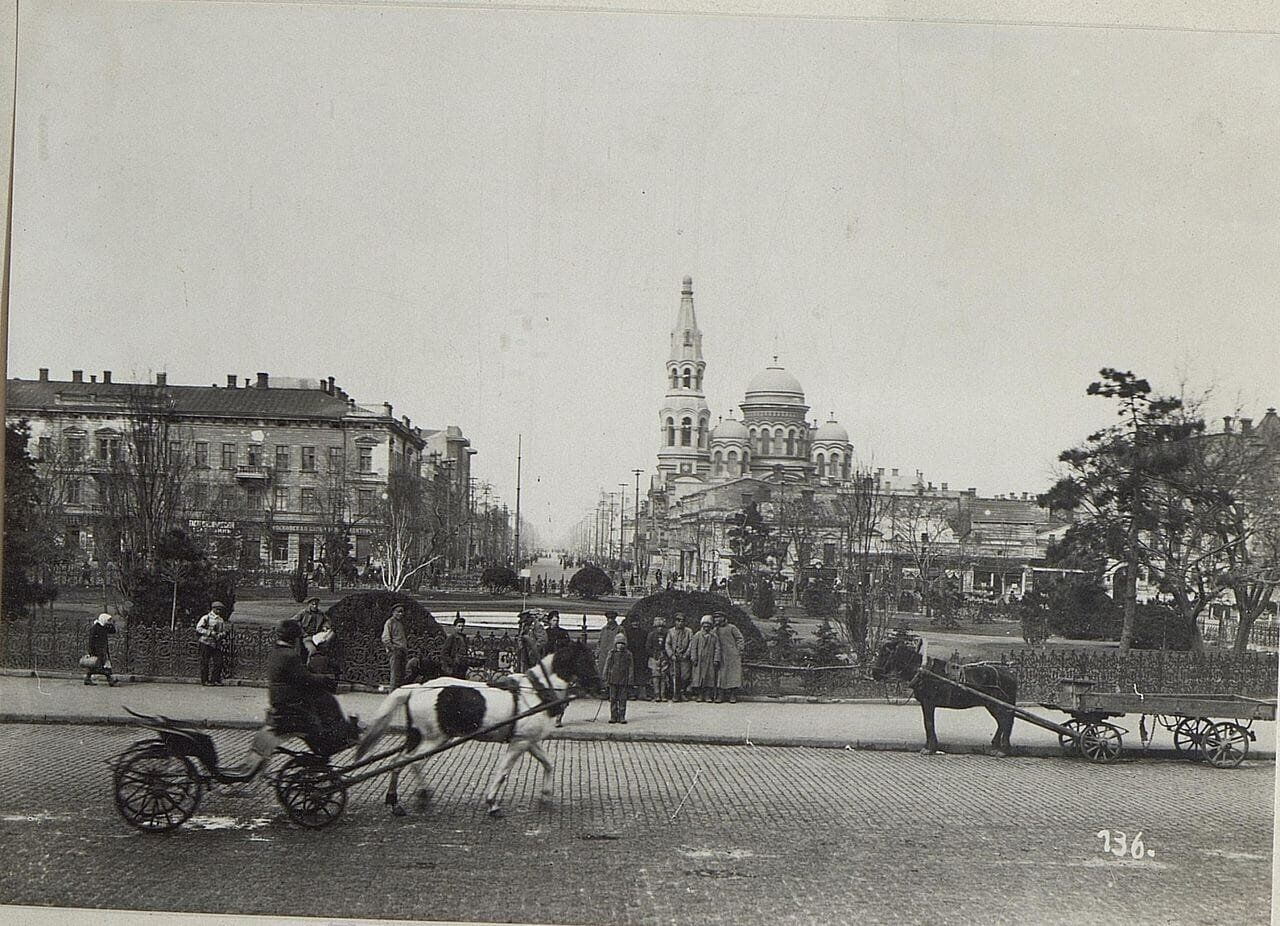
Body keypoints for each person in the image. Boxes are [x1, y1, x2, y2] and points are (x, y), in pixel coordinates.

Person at [236, 620, 360, 771]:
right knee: (327, 700)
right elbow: (304, 679)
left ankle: (334, 736)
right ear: (295, 639)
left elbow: (299, 676)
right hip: (291, 703)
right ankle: (333, 741)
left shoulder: (277, 652)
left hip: (280, 700)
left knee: (322, 699)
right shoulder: (290, 655)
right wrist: (325, 679)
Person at [195, 601, 230, 686]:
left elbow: (223, 631)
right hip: (205, 642)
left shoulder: (220, 619)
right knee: (205, 662)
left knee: (219, 662)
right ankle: (205, 680)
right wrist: (210, 633)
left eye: (220, 610)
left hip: (216, 643)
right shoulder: (206, 618)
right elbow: (198, 628)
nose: (219, 611)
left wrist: (221, 635)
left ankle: (215, 679)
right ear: (213, 609)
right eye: (217, 609)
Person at [713, 612, 745, 703]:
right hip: (721, 655)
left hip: (732, 656)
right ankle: (721, 695)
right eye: (715, 618)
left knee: (733, 676)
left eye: (719, 617)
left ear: (724, 618)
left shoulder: (732, 628)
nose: (717, 619)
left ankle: (733, 695)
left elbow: (740, 638)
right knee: (721, 676)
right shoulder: (715, 630)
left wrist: (739, 650)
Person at [688, 615, 721, 702]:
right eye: (704, 625)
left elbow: (717, 648)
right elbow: (693, 648)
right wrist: (693, 658)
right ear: (702, 625)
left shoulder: (714, 636)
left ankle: (708, 696)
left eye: (708, 625)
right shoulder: (697, 635)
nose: (706, 627)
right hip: (699, 661)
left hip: (709, 660)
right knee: (699, 679)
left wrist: (716, 659)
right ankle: (700, 695)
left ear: (710, 626)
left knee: (709, 678)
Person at [603, 634, 634, 724]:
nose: (620, 645)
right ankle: (613, 716)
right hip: (613, 679)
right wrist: (605, 676)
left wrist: (630, 679)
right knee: (613, 698)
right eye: (618, 643)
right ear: (615, 644)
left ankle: (622, 716)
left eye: (622, 643)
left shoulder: (628, 654)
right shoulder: (612, 653)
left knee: (622, 699)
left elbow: (631, 667)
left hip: (623, 679)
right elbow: (607, 665)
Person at [664, 612, 693, 702]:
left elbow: (691, 643)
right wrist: (671, 655)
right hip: (674, 657)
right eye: (678, 621)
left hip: (684, 657)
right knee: (674, 675)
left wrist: (686, 654)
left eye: (682, 621)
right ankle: (675, 693)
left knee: (685, 675)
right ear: (675, 622)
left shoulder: (689, 631)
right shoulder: (671, 631)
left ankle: (682, 692)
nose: (680, 623)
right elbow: (667, 644)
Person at [84, 612, 118, 686]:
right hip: (97, 650)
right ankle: (110, 679)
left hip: (103, 649)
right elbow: (91, 640)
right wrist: (90, 651)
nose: (108, 622)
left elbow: (113, 631)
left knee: (102, 665)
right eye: (107, 620)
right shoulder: (95, 628)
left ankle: (88, 678)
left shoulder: (104, 627)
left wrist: (111, 624)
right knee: (100, 665)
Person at [622, 613, 651, 700]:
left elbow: (646, 644)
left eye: (637, 622)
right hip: (630, 655)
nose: (635, 624)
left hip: (641, 656)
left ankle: (642, 694)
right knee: (630, 674)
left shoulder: (644, 632)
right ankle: (631, 693)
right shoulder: (627, 632)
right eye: (633, 622)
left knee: (641, 674)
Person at [381, 603, 408, 690]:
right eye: (398, 612)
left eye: (402, 612)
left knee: (401, 674)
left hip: (402, 650)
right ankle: (392, 694)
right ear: (393, 612)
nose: (401, 614)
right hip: (395, 651)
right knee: (395, 674)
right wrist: (392, 648)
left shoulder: (400, 623)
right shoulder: (390, 622)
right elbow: (385, 638)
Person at [646, 616, 671, 701]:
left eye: (662, 627)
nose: (660, 629)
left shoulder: (667, 635)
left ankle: (663, 694)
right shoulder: (651, 635)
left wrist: (664, 655)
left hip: (664, 657)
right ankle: (656, 694)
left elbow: (668, 645)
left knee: (663, 676)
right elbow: (648, 647)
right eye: (658, 627)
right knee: (655, 676)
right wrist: (654, 654)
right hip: (654, 658)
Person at [440, 614, 470, 679]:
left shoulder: (464, 638)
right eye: (459, 626)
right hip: (453, 668)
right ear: (455, 627)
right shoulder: (451, 638)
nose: (461, 628)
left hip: (462, 666)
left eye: (462, 626)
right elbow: (444, 653)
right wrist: (452, 662)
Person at [595, 611, 620, 677]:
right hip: (603, 654)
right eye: (609, 618)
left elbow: (622, 642)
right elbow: (599, 641)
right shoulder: (604, 629)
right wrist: (597, 652)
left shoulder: (619, 629)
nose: (610, 620)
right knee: (602, 671)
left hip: (613, 654)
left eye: (612, 618)